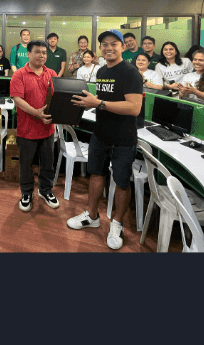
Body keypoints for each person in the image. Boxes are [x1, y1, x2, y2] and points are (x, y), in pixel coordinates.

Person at [68, 29, 144, 250]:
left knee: (121, 181)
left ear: (122, 46)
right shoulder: (101, 71)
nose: (109, 47)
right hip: (101, 134)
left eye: (114, 43)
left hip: (123, 138)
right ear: (100, 48)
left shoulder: (130, 73)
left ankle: (117, 223)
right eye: (104, 44)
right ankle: (92, 215)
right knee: (95, 174)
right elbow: (102, 99)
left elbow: (134, 107)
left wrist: (99, 104)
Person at [9, 38, 59, 214]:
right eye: (37, 52)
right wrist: (36, 113)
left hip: (47, 128)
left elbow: (57, 98)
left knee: (48, 163)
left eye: (44, 52)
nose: (41, 55)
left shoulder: (51, 74)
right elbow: (17, 99)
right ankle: (26, 193)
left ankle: (45, 190)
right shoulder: (19, 75)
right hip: (26, 129)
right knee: (26, 164)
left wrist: (52, 115)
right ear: (28, 54)